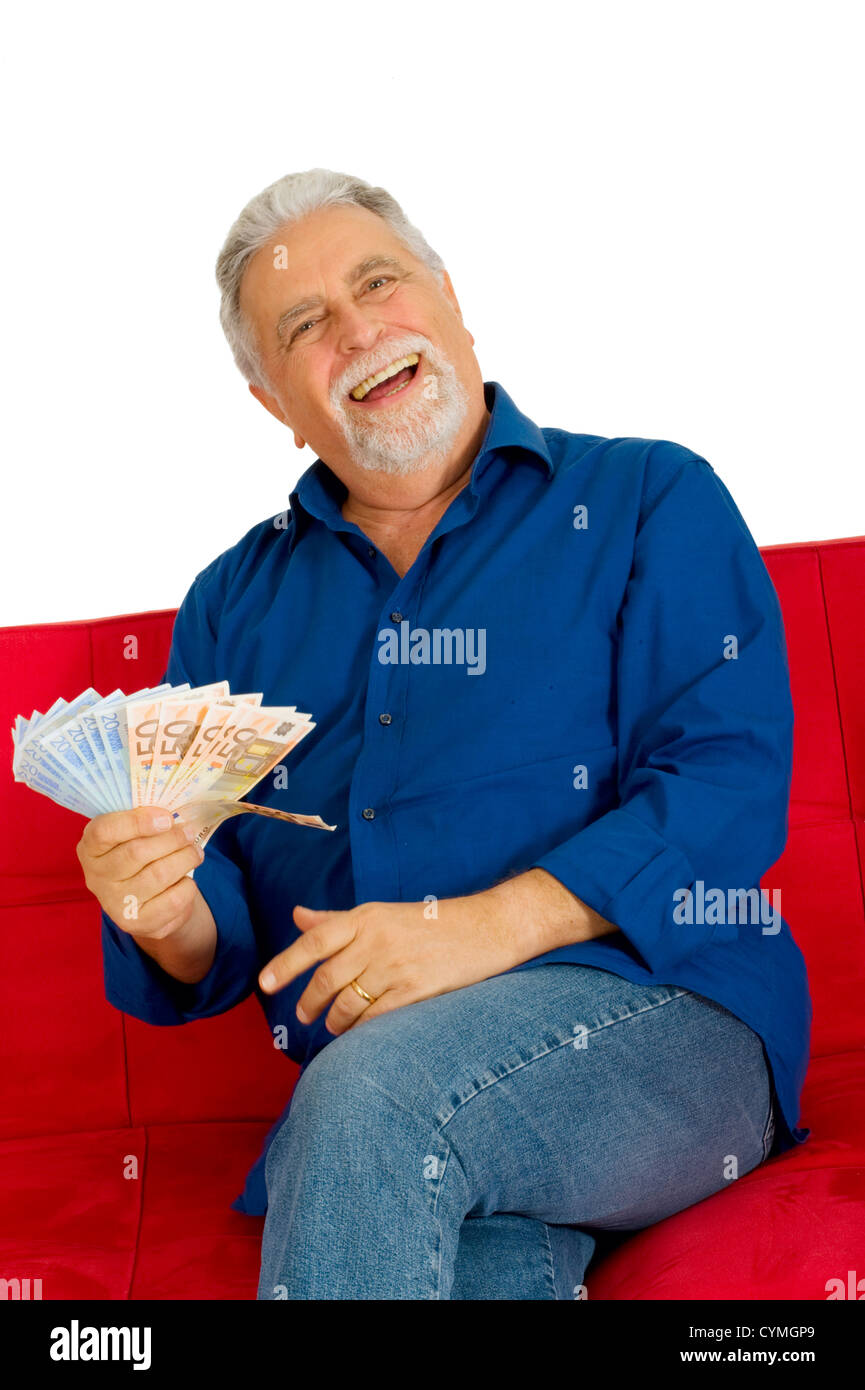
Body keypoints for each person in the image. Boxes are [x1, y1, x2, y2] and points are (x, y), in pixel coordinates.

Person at [78, 168, 811, 1300]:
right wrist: (163, 905)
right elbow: (213, 928)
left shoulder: (645, 495)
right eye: (305, 325)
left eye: (379, 281)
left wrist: (476, 930)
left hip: (670, 1017)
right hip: (403, 1101)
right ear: (272, 399)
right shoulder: (230, 605)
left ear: (452, 300)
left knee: (375, 1098)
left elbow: (727, 781)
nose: (359, 329)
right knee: (477, 1263)